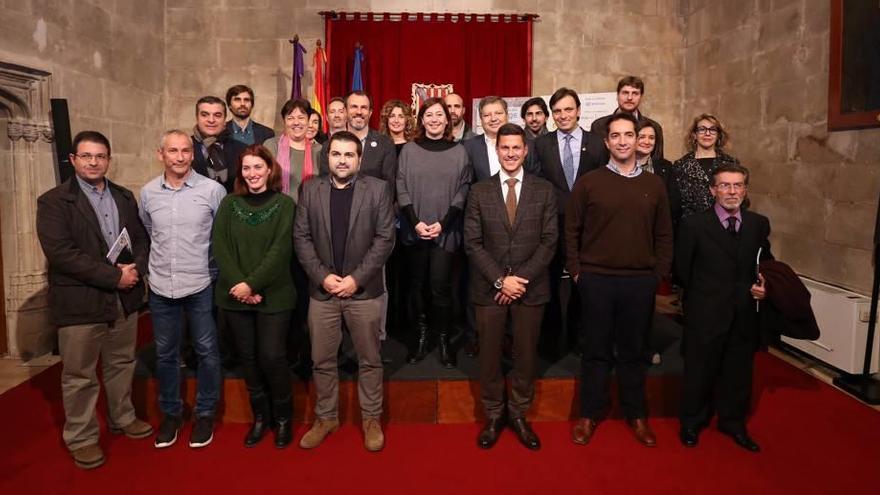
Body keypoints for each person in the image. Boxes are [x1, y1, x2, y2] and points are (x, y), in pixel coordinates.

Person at [36, 131, 153, 469]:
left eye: (100, 156)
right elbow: (61, 254)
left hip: (124, 299)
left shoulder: (122, 196)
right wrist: (114, 276)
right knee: (80, 375)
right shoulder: (54, 201)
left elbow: (142, 240)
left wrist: (136, 270)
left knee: (121, 364)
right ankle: (83, 438)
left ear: (108, 160)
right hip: (80, 303)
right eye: (86, 156)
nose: (93, 162)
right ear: (73, 160)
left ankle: (123, 417)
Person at [566, 114, 673, 448]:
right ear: (607, 142)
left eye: (630, 134)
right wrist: (577, 270)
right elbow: (572, 229)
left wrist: (658, 274)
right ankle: (589, 413)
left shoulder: (654, 185)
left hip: (639, 281)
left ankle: (636, 413)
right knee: (596, 351)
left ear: (637, 139)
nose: (624, 141)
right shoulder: (589, 182)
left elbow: (664, 234)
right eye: (617, 136)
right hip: (596, 279)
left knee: (633, 352)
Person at [293, 131, 395, 452]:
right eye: (336, 154)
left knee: (370, 360)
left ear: (359, 158)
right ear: (328, 157)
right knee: (322, 360)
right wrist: (324, 278)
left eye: (349, 154)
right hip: (322, 292)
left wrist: (356, 278)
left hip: (363, 292)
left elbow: (384, 240)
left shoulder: (378, 190)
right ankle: (326, 417)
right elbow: (302, 238)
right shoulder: (310, 189)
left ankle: (370, 418)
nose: (341, 159)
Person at [464, 124, 557, 451]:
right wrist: (502, 280)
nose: (511, 153)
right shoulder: (479, 191)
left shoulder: (544, 190)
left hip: (530, 289)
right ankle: (493, 414)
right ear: (497, 150)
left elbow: (549, 242)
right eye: (505, 148)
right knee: (489, 357)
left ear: (526, 150)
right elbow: (472, 243)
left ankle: (518, 413)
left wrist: (519, 280)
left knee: (525, 357)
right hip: (489, 289)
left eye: (517, 147)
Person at [675, 164, 772, 453]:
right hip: (705, 312)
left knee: (738, 371)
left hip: (743, 313)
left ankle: (733, 422)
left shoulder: (758, 223)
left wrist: (763, 284)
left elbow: (765, 262)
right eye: (725, 186)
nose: (732, 192)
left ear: (745, 189)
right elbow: (682, 270)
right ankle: (692, 422)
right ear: (713, 190)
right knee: (699, 370)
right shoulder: (693, 225)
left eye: (738, 185)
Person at [140, 129, 226, 449]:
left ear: (193, 154)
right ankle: (171, 414)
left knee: (207, 351)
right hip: (162, 285)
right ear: (160, 154)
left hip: (200, 283)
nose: (179, 157)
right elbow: (149, 232)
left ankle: (205, 413)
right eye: (172, 151)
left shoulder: (212, 190)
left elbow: (221, 236)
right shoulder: (148, 193)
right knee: (165, 354)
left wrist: (214, 273)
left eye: (185, 151)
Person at [212, 145, 296, 449]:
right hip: (234, 295)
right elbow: (219, 246)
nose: (252, 174)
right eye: (246, 168)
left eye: (258, 167)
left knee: (272, 356)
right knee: (247, 358)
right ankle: (261, 417)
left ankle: (284, 418)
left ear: (270, 169)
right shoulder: (229, 204)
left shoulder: (285, 205)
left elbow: (280, 250)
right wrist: (241, 286)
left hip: (275, 295)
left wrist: (253, 284)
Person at [532, 88, 608, 357]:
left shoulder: (598, 143)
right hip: (552, 223)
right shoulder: (541, 144)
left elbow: (604, 182)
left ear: (578, 111)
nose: (563, 115)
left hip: (588, 226)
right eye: (558, 111)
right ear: (552, 115)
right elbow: (537, 183)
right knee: (549, 283)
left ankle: (579, 338)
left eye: (568, 109)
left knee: (583, 283)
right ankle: (550, 340)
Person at [397, 97, 472, 367]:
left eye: (439, 115)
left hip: (445, 231)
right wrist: (415, 222)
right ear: (421, 120)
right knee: (417, 286)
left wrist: (444, 223)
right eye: (429, 115)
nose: (435, 119)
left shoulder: (459, 151)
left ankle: (443, 339)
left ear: (448, 119)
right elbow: (401, 186)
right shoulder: (409, 150)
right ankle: (421, 336)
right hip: (414, 229)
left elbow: (463, 189)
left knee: (440, 287)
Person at [673, 113, 740, 227]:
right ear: (694, 134)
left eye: (712, 129)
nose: (707, 133)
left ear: (718, 135)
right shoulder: (680, 165)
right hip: (691, 228)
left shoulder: (730, 163)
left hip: (724, 226)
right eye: (702, 129)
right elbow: (676, 204)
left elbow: (740, 198)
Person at [319, 91, 397, 188]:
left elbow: (389, 186)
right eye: (354, 107)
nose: (359, 112)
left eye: (364, 107)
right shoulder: (329, 145)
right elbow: (324, 185)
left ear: (370, 113)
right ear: (345, 111)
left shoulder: (385, 144)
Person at [263, 98, 322, 203]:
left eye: (301, 118)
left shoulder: (319, 151)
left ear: (308, 121)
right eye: (290, 118)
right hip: (278, 210)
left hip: (310, 211)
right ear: (284, 121)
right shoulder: (271, 146)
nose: (296, 123)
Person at [589, 76, 664, 150]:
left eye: (635, 93)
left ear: (641, 97)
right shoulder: (598, 126)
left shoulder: (655, 128)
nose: (630, 98)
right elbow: (594, 158)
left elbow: (658, 160)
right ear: (617, 95)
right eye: (625, 93)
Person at [191, 95, 247, 192]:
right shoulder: (185, 147)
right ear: (197, 117)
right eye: (205, 115)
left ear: (225, 119)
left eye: (217, 115)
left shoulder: (242, 149)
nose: (211, 120)